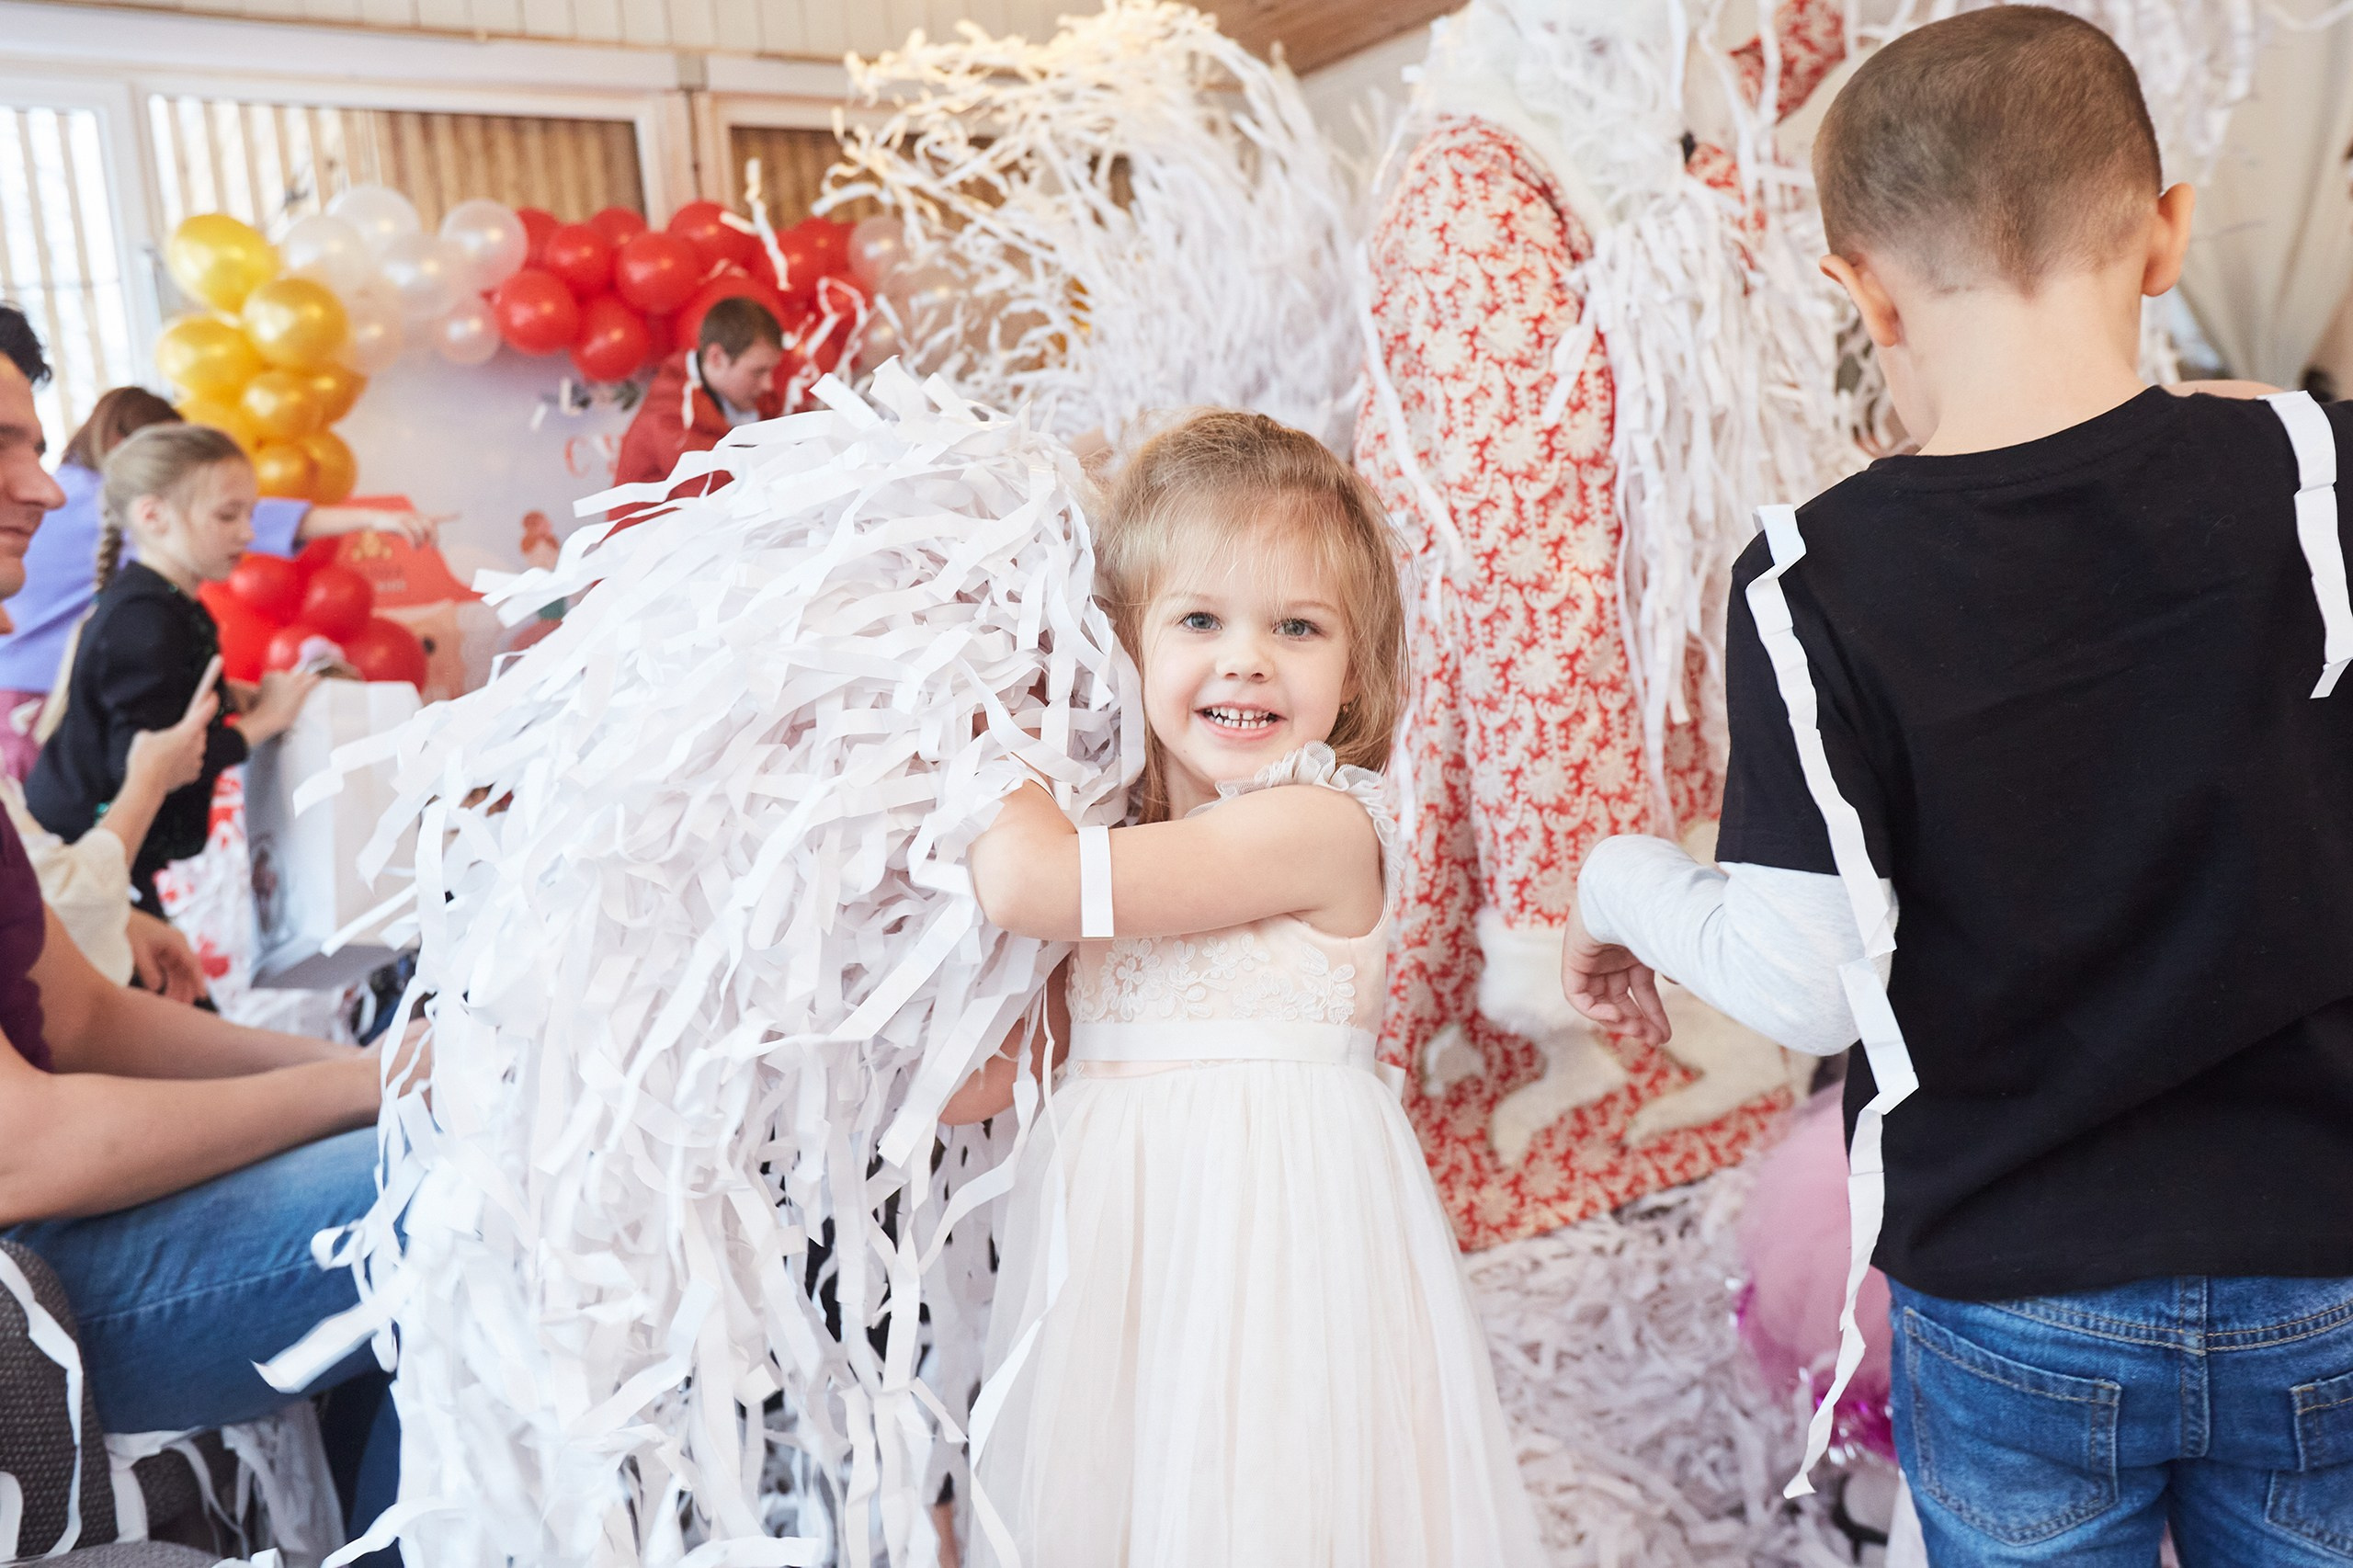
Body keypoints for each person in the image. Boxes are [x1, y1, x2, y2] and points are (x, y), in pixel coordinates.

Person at [1559, 11, 2353, 1563]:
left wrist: (1611, 880)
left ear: (1863, 291)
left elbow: (1802, 987)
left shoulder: (1810, 581)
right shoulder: (2317, 480)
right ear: (2168, 236)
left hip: (2013, 1296)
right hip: (2320, 1258)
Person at [944, 410, 1545, 1566]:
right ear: (1123, 641)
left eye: (1298, 625)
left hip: (1273, 1263)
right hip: (1124, 1267)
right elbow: (1000, 1079)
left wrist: (970, 727)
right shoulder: (1129, 858)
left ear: (1356, 666)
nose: (1246, 658)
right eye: (1200, 618)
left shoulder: (1317, 825)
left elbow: (1026, 878)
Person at [0, 303, 410, 1540]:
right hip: (35, 1283)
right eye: (3, 447)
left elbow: (77, 1009)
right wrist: (371, 1089)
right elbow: (23, 1143)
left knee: (445, 1129)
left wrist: (367, 1069)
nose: (43, 487)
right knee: (460, 1179)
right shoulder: (140, 618)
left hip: (57, 1208)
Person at [0, 386, 428, 780]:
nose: (241, 531)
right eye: (169, 455)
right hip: (43, 705)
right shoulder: (116, 514)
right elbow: (150, 775)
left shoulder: (67, 498)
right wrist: (370, 519)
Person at [27, 425, 320, 922]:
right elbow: (145, 764)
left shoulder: (164, 605)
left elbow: (157, 703)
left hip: (114, 855)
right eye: (228, 515)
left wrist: (228, 699)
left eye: (250, 514)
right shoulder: (147, 619)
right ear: (153, 515)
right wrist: (260, 724)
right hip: (89, 856)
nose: (248, 533)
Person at [609, 297, 785, 526]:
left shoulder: (740, 394)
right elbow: (726, 501)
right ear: (717, 358)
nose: (768, 385)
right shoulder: (673, 417)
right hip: (644, 553)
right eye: (758, 372)